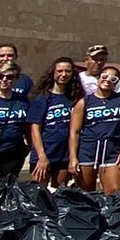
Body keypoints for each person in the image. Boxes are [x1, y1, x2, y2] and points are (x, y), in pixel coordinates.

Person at [71, 63, 120, 192]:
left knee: (114, 192)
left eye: (113, 79)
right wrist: (73, 157)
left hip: (112, 150)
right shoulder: (84, 102)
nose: (107, 81)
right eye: (104, 76)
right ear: (98, 78)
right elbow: (74, 132)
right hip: (87, 150)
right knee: (85, 193)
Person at [32, 56, 83, 186]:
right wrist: (42, 157)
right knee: (38, 193)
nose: (63, 74)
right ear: (53, 73)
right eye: (59, 71)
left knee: (60, 193)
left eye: (67, 71)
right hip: (45, 152)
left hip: (65, 154)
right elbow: (35, 129)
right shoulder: (42, 98)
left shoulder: (75, 97)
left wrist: (73, 156)